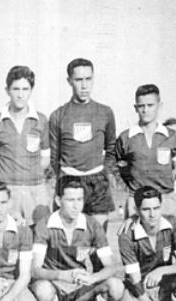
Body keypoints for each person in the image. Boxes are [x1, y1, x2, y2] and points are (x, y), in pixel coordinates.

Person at [30, 176, 124, 301]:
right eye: (70, 200)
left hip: (79, 287)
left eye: (80, 199)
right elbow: (35, 269)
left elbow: (111, 266)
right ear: (59, 201)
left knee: (116, 286)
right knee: (42, 290)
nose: (76, 205)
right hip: (54, 285)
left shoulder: (92, 225)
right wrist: (61, 275)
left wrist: (93, 277)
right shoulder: (45, 225)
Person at [49, 58, 116, 230]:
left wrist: (105, 172)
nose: (84, 85)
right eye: (79, 80)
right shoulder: (58, 115)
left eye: (88, 79)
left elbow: (111, 148)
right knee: (69, 239)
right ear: (69, 81)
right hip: (69, 179)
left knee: (98, 238)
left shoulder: (105, 112)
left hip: (97, 181)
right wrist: (66, 175)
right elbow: (54, 156)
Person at [0, 65, 50, 225]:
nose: (21, 95)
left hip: (35, 190)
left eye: (25, 89)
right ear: (7, 90)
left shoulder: (41, 121)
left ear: (31, 90)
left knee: (39, 239)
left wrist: (29, 176)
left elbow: (45, 161)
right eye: (16, 89)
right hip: (7, 189)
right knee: (8, 240)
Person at [115, 85, 176, 221]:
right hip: (137, 200)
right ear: (135, 108)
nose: (145, 110)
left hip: (166, 199)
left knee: (172, 240)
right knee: (138, 240)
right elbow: (117, 168)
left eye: (150, 105)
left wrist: (163, 183)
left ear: (159, 105)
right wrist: (131, 187)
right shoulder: (125, 137)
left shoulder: (172, 136)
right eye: (141, 106)